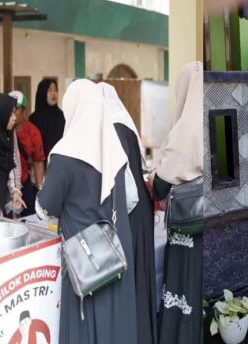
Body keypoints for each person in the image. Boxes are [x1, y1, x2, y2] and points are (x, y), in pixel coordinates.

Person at [35, 79, 137, 344]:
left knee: (84, 327)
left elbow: (45, 209)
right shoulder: (114, 151)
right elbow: (128, 201)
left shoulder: (66, 155)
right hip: (115, 253)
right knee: (115, 323)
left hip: (84, 260)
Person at [147, 62, 204, 344]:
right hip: (206, 221)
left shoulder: (185, 130)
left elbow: (159, 186)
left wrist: (157, 174)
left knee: (180, 289)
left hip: (185, 226)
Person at [101, 83, 157, 344]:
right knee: (142, 280)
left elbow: (126, 190)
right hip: (141, 212)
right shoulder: (125, 122)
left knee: (130, 282)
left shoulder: (111, 127)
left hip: (129, 213)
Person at [8, 91, 45, 217]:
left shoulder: (33, 132)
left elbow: (38, 160)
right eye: (10, 108)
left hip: (24, 183)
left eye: (16, 109)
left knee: (29, 219)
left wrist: (40, 191)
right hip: (5, 185)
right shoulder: (2, 130)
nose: (13, 112)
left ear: (24, 111)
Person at [29, 79, 65, 158]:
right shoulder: (34, 119)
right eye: (49, 90)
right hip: (39, 164)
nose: (53, 93)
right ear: (42, 93)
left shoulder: (62, 116)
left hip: (59, 162)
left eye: (55, 90)